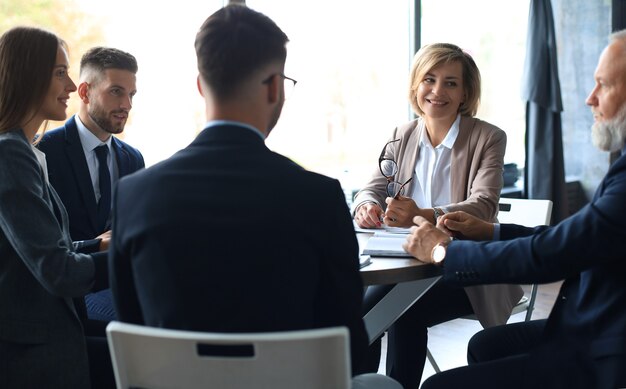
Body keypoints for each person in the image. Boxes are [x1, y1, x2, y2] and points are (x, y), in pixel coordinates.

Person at [108, 6, 399, 387]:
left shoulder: (133, 194)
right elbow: (349, 351)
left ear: (201, 84)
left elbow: (133, 331)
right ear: (275, 87)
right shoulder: (319, 197)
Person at [404, 29, 626, 389]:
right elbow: (570, 239)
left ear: (465, 93)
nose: (590, 98)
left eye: (603, 84)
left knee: (435, 386)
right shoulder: (403, 135)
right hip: (593, 320)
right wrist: (489, 230)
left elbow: (556, 252)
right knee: (485, 345)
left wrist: (443, 250)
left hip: (603, 346)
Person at [352, 42, 522, 387]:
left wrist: (425, 215)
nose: (437, 91)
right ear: (416, 86)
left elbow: (484, 205)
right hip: (404, 261)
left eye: (451, 82)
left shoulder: (488, 137)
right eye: (429, 79)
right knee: (361, 312)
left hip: (465, 267)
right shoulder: (401, 136)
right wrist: (366, 206)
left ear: (465, 93)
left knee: (401, 310)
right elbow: (370, 189)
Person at [0, 26, 114, 388]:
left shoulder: (26, 149)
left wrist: (97, 245)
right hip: (32, 356)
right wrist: (133, 258)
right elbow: (57, 270)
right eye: (60, 73)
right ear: (28, 76)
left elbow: (32, 252)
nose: (70, 86)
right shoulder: (10, 152)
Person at [38, 46, 144, 323]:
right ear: (84, 92)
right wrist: (96, 245)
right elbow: (40, 249)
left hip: (119, 281)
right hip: (65, 291)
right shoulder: (42, 151)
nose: (127, 105)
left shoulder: (133, 159)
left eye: (131, 95)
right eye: (116, 91)